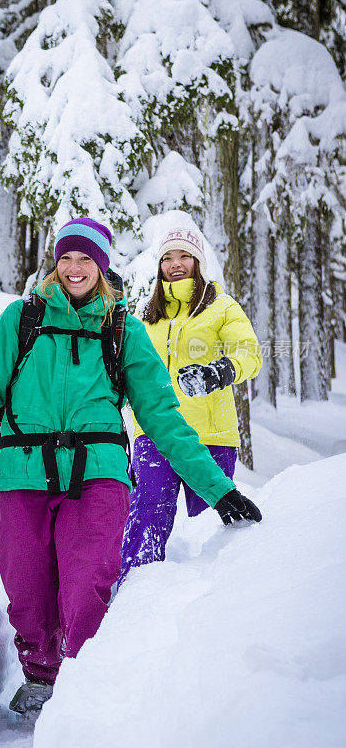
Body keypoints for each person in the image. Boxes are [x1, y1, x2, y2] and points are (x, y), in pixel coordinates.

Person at [0, 217, 261, 717]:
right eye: (66, 257)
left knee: (87, 585)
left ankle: (83, 687)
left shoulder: (124, 330)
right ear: (55, 262)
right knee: (26, 586)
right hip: (22, 474)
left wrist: (219, 490)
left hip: (99, 477)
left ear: (103, 267)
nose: (74, 267)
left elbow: (164, 420)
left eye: (86, 258)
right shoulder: (22, 321)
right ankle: (41, 674)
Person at [119, 226, 263, 586]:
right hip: (155, 435)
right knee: (146, 516)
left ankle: (216, 605)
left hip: (210, 435)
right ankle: (133, 596)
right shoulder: (147, 317)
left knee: (214, 524)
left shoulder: (221, 307)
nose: (175, 264)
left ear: (197, 261)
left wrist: (220, 370)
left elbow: (250, 352)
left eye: (183, 255)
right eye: (167, 258)